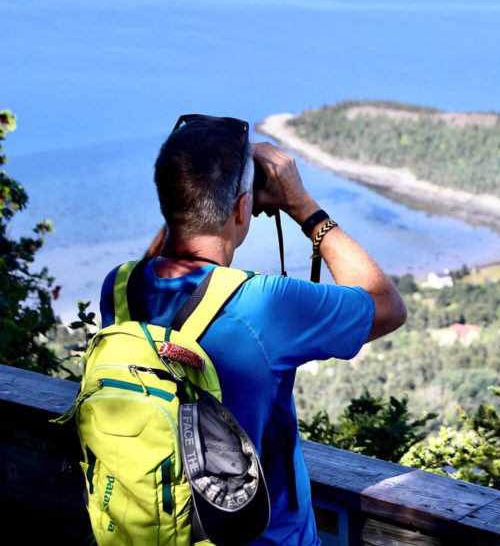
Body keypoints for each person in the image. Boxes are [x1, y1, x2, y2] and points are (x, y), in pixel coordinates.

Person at [98, 115, 406, 544]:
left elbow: (165, 259)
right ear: (244, 208)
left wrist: (191, 196)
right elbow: (387, 306)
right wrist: (303, 206)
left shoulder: (119, 287)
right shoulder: (261, 304)